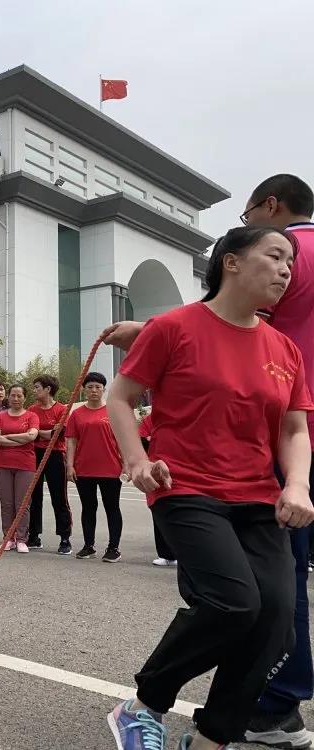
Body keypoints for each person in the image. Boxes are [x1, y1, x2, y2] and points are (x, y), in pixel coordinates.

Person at [107, 177, 314, 750]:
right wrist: (138, 461)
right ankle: (144, 703)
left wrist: (296, 483)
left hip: (257, 496)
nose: (286, 270)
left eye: (290, 263)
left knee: (276, 622)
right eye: (274, 256)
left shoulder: (284, 349)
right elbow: (119, 398)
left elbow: (294, 427)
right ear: (230, 262)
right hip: (187, 487)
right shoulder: (174, 328)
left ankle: (212, 739)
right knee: (233, 603)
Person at [65, 373, 123, 563]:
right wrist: (70, 465)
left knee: (112, 508)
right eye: (90, 387)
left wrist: (128, 464)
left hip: (111, 468)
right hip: (84, 469)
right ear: (84, 390)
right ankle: (88, 545)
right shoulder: (77, 414)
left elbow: (122, 440)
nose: (94, 390)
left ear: (104, 389)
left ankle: (113, 547)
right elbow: (71, 441)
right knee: (88, 508)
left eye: (98, 387)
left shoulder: (113, 411)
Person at [28, 375, 73, 554]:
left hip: (55, 455)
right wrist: (42, 433)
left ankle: (64, 538)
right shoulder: (31, 410)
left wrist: (38, 432)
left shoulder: (62, 409)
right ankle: (34, 535)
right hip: (35, 454)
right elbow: (30, 433)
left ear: (48, 389)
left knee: (59, 497)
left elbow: (59, 433)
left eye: (37, 387)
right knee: (34, 496)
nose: (34, 390)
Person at [0, 385, 39, 552]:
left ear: (24, 398)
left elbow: (32, 436)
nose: (16, 399)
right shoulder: (0, 417)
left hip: (25, 464)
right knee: (6, 503)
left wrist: (8, 437)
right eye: (13, 395)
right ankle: (8, 537)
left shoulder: (32, 416)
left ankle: (21, 539)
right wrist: (21, 439)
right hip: (3, 464)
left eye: (19, 396)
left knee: (23, 503)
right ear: (9, 397)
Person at [140, 411, 177, 567]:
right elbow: (141, 440)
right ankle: (165, 554)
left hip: (184, 469)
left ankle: (185, 553)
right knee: (160, 511)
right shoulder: (150, 419)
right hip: (157, 471)